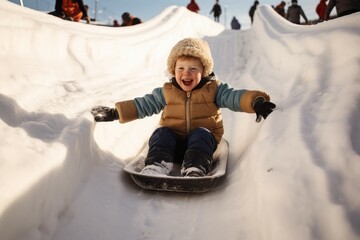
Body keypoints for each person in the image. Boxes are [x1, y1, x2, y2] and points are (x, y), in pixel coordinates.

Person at [91, 38, 276, 177]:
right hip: (172, 145)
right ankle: (157, 164)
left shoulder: (214, 89)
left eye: (193, 69)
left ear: (204, 71)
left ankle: (196, 167)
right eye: (181, 69)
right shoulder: (167, 91)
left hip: (202, 145)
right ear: (173, 70)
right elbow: (143, 104)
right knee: (161, 133)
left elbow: (235, 97)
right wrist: (116, 112)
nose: (186, 73)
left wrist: (256, 101)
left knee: (201, 133)